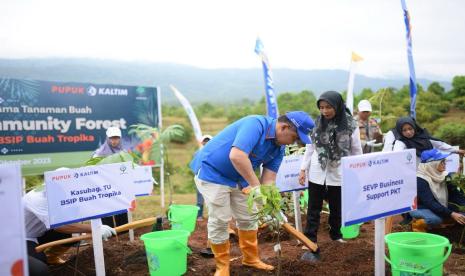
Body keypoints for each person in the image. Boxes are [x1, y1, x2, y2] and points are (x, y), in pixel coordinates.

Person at [190, 111, 314, 275]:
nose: (296, 142)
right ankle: (222, 266)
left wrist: (271, 203)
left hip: (240, 178)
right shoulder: (255, 125)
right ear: (285, 127)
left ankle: (250, 258)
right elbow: (237, 156)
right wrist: (256, 188)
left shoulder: (279, 148)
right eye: (296, 137)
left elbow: (269, 180)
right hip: (212, 173)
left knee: (249, 216)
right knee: (220, 219)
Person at [298, 91, 363, 262]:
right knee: (313, 208)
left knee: (337, 207)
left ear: (337, 106)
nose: (325, 111)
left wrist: (358, 172)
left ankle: (336, 235)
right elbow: (310, 148)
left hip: (339, 171)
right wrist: (303, 169)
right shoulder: (318, 123)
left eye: (328, 107)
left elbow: (356, 150)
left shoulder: (350, 125)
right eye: (321, 107)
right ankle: (310, 239)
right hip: (317, 171)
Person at [24, 177, 116, 270]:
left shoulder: (56, 193)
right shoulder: (37, 199)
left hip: (40, 231)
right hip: (21, 237)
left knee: (72, 236)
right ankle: (41, 258)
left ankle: (51, 257)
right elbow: (59, 226)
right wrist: (94, 228)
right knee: (39, 265)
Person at [410, 148, 465, 232]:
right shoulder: (420, 180)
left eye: (444, 161)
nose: (445, 164)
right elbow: (430, 203)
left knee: (461, 213)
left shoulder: (444, 176)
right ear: (432, 164)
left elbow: (456, 195)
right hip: (421, 207)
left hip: (438, 204)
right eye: (442, 162)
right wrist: (451, 213)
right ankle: (418, 224)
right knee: (435, 220)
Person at [93, 127, 129, 227]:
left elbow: (128, 169)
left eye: (116, 138)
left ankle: (123, 232)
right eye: (112, 138)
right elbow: (93, 171)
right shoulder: (99, 154)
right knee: (106, 211)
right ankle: (109, 233)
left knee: (121, 210)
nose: (114, 141)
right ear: (107, 138)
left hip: (119, 187)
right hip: (104, 188)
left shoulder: (124, 153)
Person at [382, 117, 464, 161]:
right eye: (404, 130)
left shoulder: (423, 136)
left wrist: (456, 150)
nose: (408, 132)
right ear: (400, 131)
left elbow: (440, 145)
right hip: (414, 173)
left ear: (414, 127)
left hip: (429, 169)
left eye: (410, 128)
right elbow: (397, 153)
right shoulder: (401, 142)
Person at [195, 134, 213, 221]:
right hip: (200, 177)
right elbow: (195, 166)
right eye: (205, 141)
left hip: (212, 178)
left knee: (213, 198)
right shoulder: (197, 153)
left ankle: (212, 215)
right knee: (200, 198)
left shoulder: (214, 153)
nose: (206, 143)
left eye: (208, 141)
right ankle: (199, 215)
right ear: (202, 143)